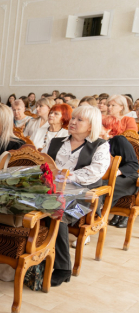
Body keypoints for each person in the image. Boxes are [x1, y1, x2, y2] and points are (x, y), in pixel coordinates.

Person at [42, 105, 111, 286]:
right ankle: (38, 256)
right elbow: (43, 162)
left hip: (85, 197)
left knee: (56, 209)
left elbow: (95, 172)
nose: (73, 122)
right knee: (30, 203)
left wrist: (66, 176)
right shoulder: (56, 141)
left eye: (80, 120)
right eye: (73, 118)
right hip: (53, 190)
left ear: (91, 126)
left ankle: (63, 267)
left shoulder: (100, 145)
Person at [100, 116, 139, 229]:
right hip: (107, 176)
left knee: (102, 185)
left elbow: (133, 164)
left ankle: (96, 217)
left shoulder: (119, 140)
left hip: (127, 178)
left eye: (100, 125)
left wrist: (116, 172)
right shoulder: (97, 141)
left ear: (109, 128)